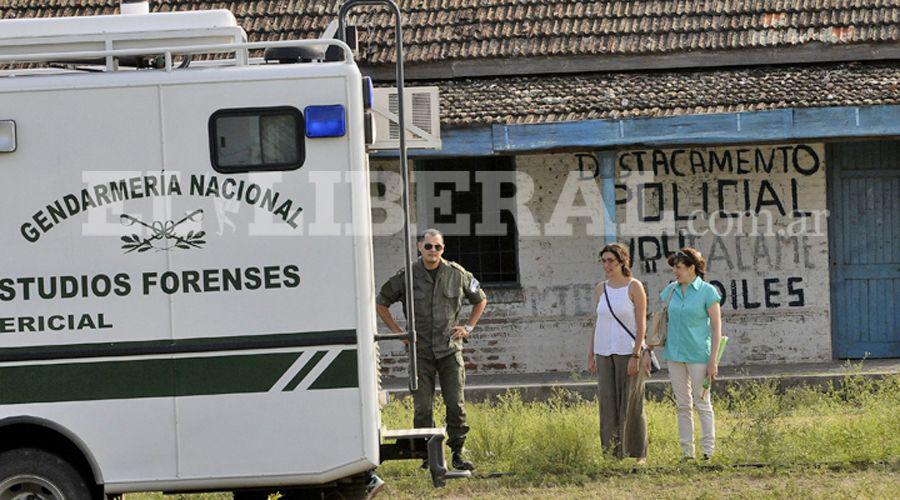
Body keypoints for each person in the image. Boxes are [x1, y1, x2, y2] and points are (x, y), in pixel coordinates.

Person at [375, 228, 487, 471]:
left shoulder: (457, 274)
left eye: (437, 247)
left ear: (443, 249)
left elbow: (480, 299)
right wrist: (398, 333)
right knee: (422, 407)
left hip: (449, 350)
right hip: (420, 352)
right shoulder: (407, 275)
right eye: (428, 246)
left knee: (455, 404)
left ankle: (458, 453)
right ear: (419, 247)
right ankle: (428, 456)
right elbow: (381, 301)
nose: (433, 251)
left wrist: (468, 327)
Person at [587, 242, 650, 463]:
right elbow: (598, 323)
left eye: (610, 260)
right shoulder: (600, 288)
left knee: (632, 403)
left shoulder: (634, 287)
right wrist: (591, 354)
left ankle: (639, 454)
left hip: (628, 351)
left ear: (622, 261)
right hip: (604, 352)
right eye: (603, 261)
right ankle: (612, 453)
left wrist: (636, 355)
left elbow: (642, 325)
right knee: (607, 403)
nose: (606, 265)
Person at [659, 247, 723, 460]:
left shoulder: (707, 291)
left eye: (678, 267)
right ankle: (687, 452)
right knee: (682, 405)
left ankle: (708, 452)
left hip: (698, 355)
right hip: (674, 355)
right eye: (674, 268)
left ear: (691, 268)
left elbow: (716, 328)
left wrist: (713, 359)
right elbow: (659, 318)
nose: (675, 272)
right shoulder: (670, 290)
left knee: (702, 403)